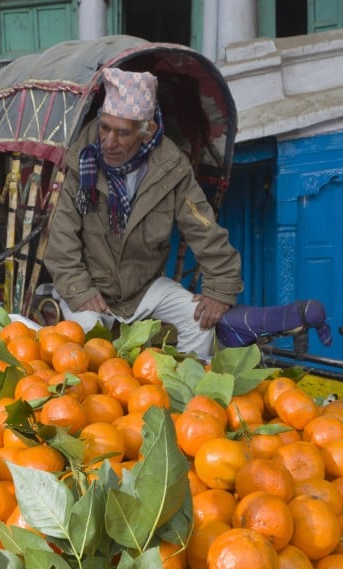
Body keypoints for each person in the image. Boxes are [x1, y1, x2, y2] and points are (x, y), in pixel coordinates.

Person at [43, 67, 243, 359]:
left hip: (143, 288)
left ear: (146, 130)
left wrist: (220, 287)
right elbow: (61, 240)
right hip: (88, 284)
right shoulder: (82, 161)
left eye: (122, 132)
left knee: (199, 324)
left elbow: (203, 228)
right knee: (88, 341)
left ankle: (187, 395)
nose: (109, 142)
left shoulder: (170, 168)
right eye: (104, 128)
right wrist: (80, 290)